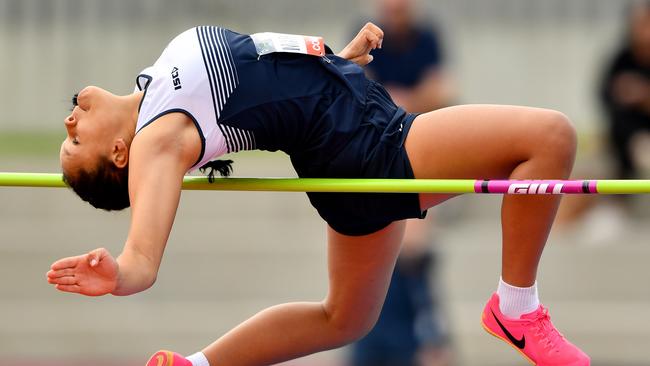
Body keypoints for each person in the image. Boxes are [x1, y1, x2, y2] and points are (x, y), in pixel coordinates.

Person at [46, 23, 589, 366]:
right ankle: (516, 308)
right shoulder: (157, 142)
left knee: (345, 319)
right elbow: (144, 256)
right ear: (120, 155)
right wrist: (120, 274)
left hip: (349, 142)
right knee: (550, 137)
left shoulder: (154, 86)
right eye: (75, 140)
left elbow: (264, 72)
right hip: (369, 147)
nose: (69, 119)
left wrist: (336, 63)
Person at [349, 1, 453, 365]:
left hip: (417, 149)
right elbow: (356, 92)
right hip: (378, 152)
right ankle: (427, 337)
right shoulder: (364, 33)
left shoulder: (426, 38)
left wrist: (403, 101)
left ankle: (428, 336)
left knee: (412, 240)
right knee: (400, 242)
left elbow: (441, 91)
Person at [601, 0, 650, 181]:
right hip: (627, 143)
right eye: (640, 24)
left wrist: (643, 95)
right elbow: (604, 94)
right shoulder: (622, 58)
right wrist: (622, 94)